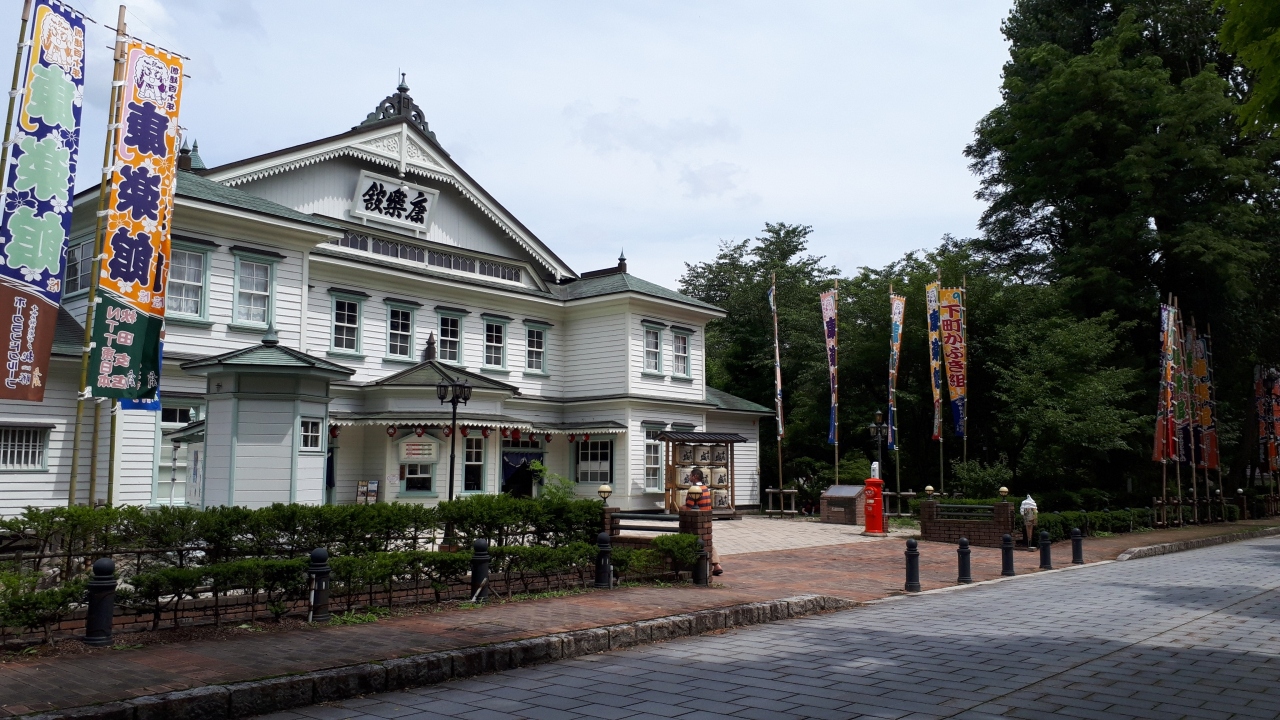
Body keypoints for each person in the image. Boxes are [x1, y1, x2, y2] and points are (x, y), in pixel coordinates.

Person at [684, 472, 723, 576]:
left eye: (691, 475)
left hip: (696, 519)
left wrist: (680, 509)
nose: (689, 477)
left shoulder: (693, 490)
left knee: (699, 541)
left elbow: (688, 507)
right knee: (707, 540)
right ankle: (716, 565)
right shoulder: (706, 489)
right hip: (707, 518)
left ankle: (702, 566)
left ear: (695, 476)